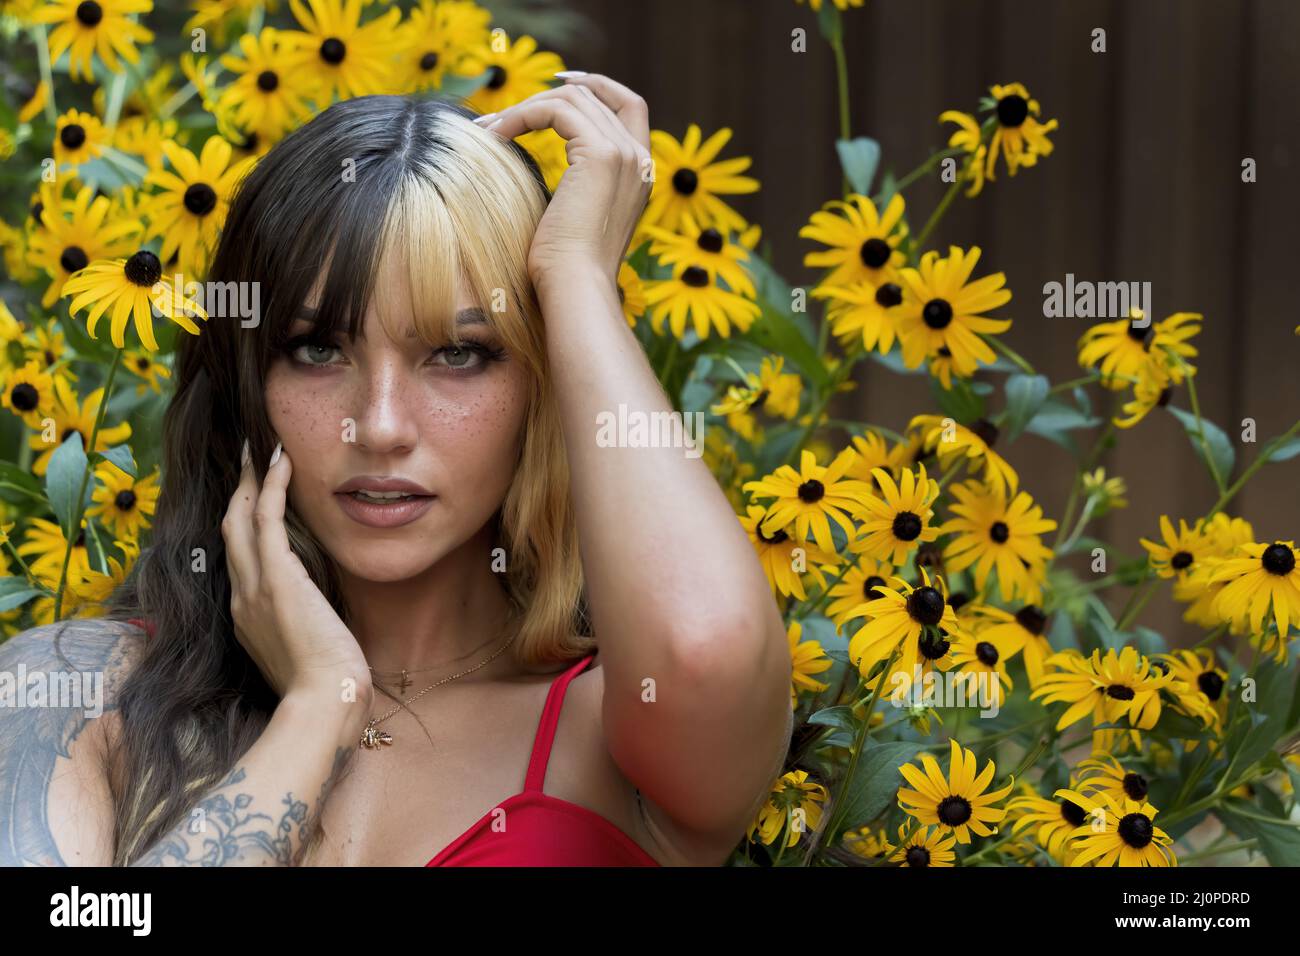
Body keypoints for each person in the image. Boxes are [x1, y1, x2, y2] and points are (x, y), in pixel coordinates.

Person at [0, 75, 793, 867]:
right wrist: (317, 712)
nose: (379, 425)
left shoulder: (622, 738)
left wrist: (579, 279)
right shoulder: (71, 697)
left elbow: (702, 646)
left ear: (545, 387)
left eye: (459, 353)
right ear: (247, 380)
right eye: (317, 348)